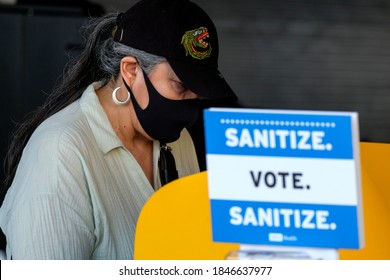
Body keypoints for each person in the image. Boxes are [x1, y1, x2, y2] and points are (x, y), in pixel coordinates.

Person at [0, 0, 237, 259]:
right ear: (131, 70)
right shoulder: (59, 155)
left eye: (200, 92)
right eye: (181, 86)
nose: (192, 106)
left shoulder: (179, 142)